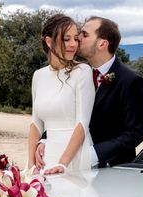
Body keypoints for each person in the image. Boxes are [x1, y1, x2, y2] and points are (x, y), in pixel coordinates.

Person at [36, 16, 143, 170]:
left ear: (102, 43)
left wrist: (92, 154)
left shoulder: (131, 81)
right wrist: (45, 140)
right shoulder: (77, 74)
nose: (78, 39)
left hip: (113, 172)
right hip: (70, 162)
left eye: (84, 35)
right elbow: (65, 113)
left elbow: (134, 133)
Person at [27, 14, 95, 175]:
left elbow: (82, 123)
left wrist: (62, 163)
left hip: (74, 157)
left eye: (76, 39)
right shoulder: (38, 75)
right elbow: (35, 124)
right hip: (45, 157)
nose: (73, 44)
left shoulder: (83, 72)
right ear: (49, 42)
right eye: (66, 39)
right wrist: (30, 165)